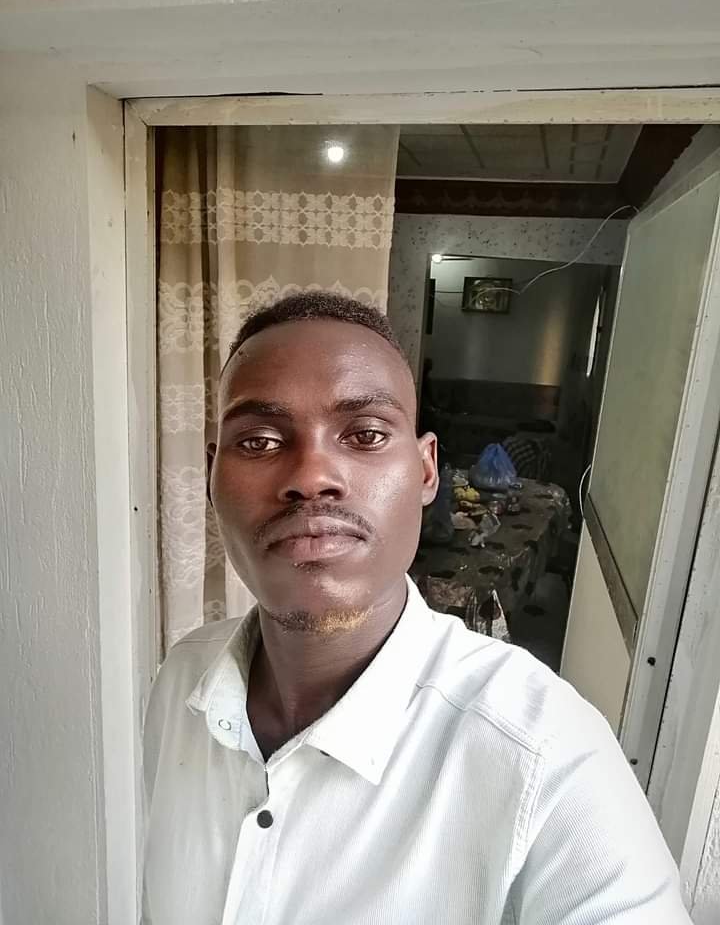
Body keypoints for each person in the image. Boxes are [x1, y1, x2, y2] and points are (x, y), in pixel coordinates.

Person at [143, 292, 690, 924]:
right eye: (260, 441)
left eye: (365, 434)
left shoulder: (546, 756)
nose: (312, 475)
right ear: (212, 475)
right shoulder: (182, 681)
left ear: (427, 470)